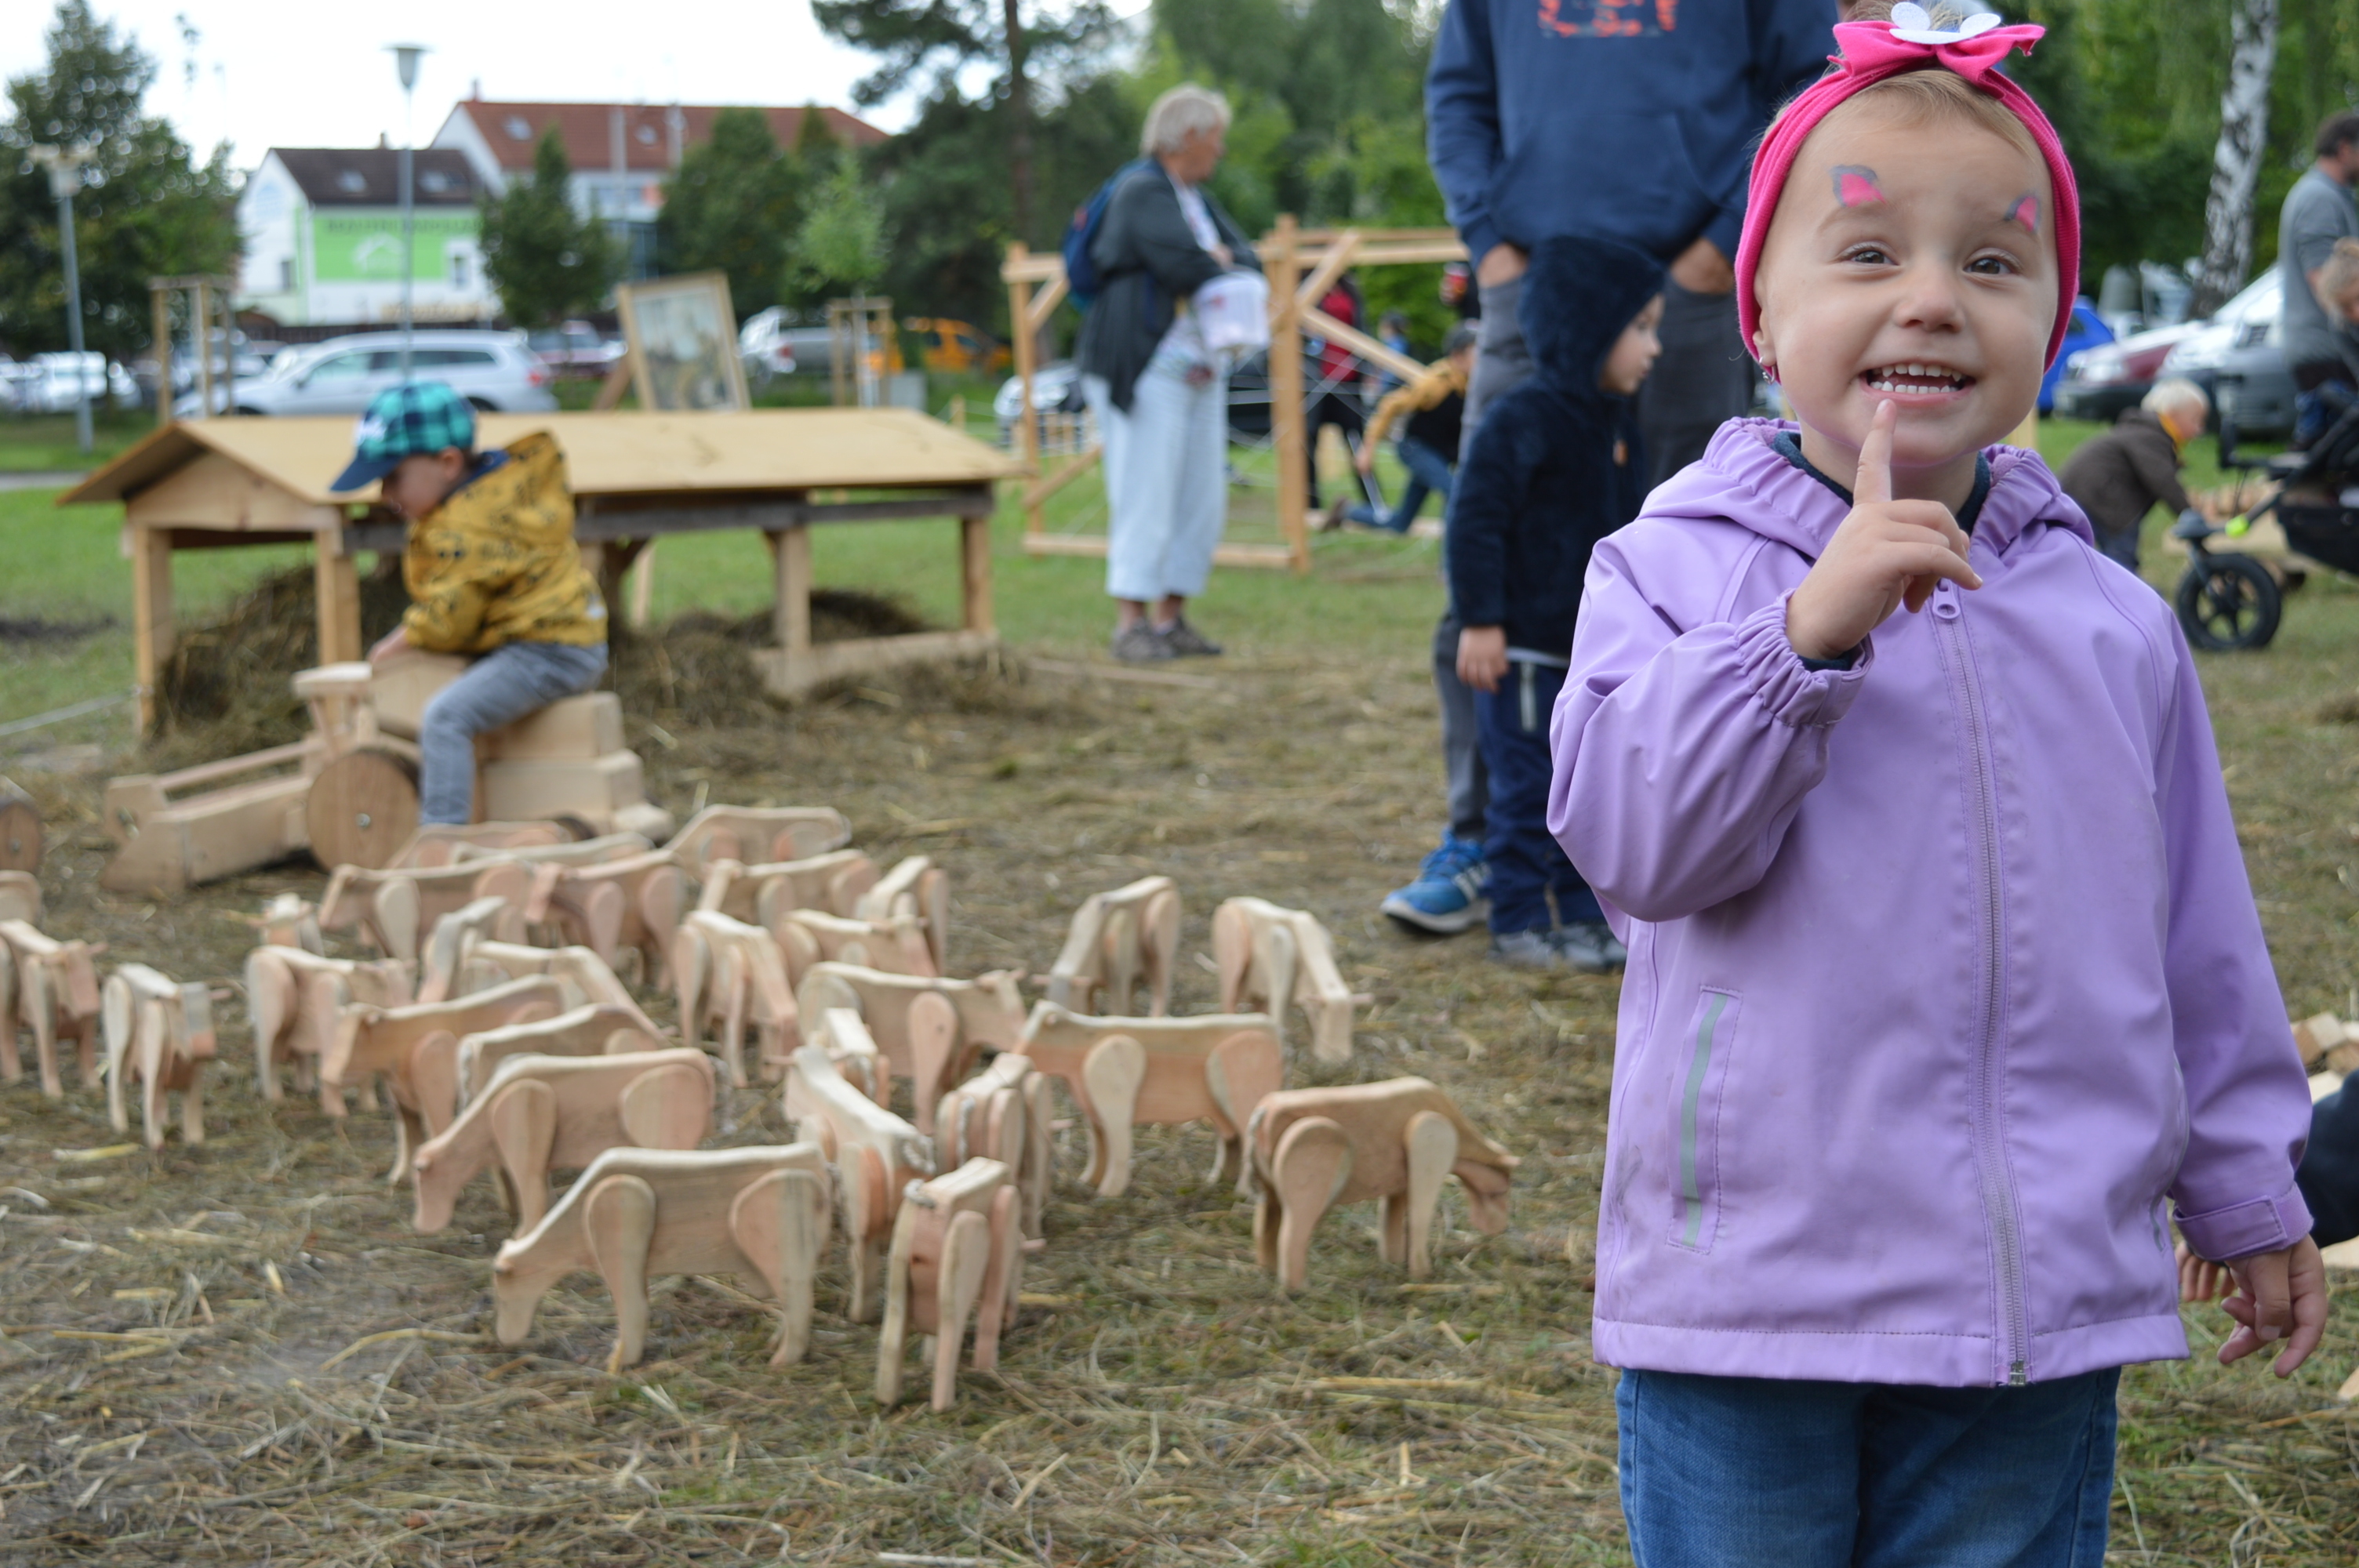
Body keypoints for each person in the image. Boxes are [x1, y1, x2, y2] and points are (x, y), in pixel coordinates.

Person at [1551, 11, 2324, 1560]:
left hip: (2029, 1307)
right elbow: (1633, 843)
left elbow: (2195, 936)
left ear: (2056, 320)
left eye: (1991, 260)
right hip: (1751, 1298)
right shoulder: (1667, 571)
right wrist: (1797, 642)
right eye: (1864, 253)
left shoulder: (2110, 620)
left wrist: (2246, 1184)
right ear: (1759, 311)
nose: (1929, 297)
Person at [1387, 0, 1832, 935]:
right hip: (1530, 290)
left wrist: (1723, 244)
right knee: (1492, 550)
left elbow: (1808, 82)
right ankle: (1484, 836)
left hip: (1686, 288)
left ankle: (1689, 841)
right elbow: (1458, 97)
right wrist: (1490, 251)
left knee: (1703, 570)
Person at [1448, 238, 1660, 970]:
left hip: (1589, 654)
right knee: (1527, 787)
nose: (1654, 347)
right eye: (1640, 328)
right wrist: (1481, 619)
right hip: (1526, 650)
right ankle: (1514, 918)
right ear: (1587, 328)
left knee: (1587, 788)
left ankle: (1579, 916)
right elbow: (1474, 520)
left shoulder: (1615, 426)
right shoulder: (1522, 419)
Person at [337, 382, 609, 826]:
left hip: (543, 651)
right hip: (565, 638)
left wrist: (397, 644)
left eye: (393, 476)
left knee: (446, 716)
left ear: (447, 462)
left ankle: (443, 836)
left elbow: (451, 620)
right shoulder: (499, 493)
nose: (385, 493)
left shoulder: (465, 528)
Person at [1075, 83, 1261, 662]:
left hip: (1198, 369)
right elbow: (1187, 262)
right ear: (1188, 137)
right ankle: (1130, 622)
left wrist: (1220, 263)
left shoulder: (1192, 198)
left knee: (1199, 497)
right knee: (1145, 492)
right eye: (1216, 138)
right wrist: (1217, 263)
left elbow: (1243, 258)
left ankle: (1171, 618)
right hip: (1143, 365)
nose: (1221, 151)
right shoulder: (1140, 190)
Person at [2057, 377, 2208, 572]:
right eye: (2196, 420)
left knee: (2099, 556)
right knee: (2121, 557)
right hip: (2102, 500)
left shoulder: (2145, 432)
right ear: (2172, 414)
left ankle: (2117, 589)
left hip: (2091, 495)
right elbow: (2162, 480)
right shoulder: (2150, 436)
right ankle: (2123, 594)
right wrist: (2189, 513)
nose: (2200, 429)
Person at [1346, 324, 1478, 534]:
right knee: (1453, 491)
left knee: (1401, 523)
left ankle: (1346, 512)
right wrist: (1367, 449)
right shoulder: (1436, 383)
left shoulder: (1473, 384)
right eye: (1476, 353)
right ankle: (1453, 560)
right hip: (1416, 449)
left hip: (1439, 455)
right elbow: (1390, 405)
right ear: (1458, 356)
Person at [2280, 111, 2359, 448]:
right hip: (2325, 348)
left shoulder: (2331, 196)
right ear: (2344, 149)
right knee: (2331, 454)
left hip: (2328, 347)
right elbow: (2325, 283)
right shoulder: (2319, 198)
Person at [1304, 272, 1368, 521]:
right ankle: (1310, 505)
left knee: (1356, 439)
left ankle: (1371, 500)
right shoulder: (1307, 287)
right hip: (1316, 380)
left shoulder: (1349, 288)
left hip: (1348, 378)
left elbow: (1362, 326)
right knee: (1307, 443)